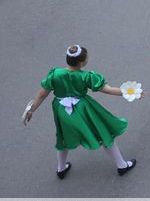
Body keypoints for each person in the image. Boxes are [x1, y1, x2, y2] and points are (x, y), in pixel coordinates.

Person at [22, 45, 138, 177]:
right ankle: (122, 165)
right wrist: (131, 92)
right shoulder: (86, 76)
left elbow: (42, 94)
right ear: (82, 63)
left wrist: (30, 110)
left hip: (61, 110)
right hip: (83, 110)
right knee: (103, 132)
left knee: (62, 137)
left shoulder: (55, 74)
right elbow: (108, 90)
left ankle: (61, 168)